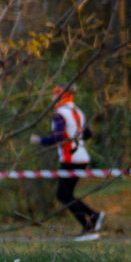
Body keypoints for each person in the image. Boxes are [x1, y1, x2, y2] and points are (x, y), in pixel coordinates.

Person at [30, 84, 104, 238]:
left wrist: (39, 140)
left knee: (63, 195)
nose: (53, 97)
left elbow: (58, 137)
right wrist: (75, 137)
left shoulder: (60, 114)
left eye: (55, 93)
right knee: (66, 194)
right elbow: (87, 134)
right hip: (82, 157)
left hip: (70, 158)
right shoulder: (78, 111)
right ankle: (91, 219)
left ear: (62, 96)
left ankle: (91, 220)